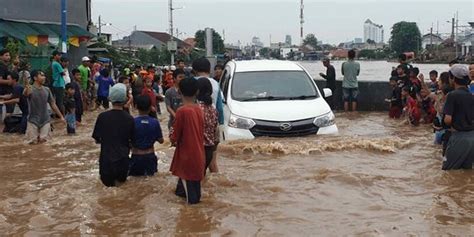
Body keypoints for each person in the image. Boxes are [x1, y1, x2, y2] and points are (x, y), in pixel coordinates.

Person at [169, 77, 205, 204]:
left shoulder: (181, 111)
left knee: (192, 202)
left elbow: (174, 136)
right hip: (199, 156)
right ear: (197, 92)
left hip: (186, 158)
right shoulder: (199, 109)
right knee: (186, 193)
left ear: (179, 92)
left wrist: (171, 138)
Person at [92, 83, 135, 187]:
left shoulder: (102, 117)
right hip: (123, 160)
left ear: (110, 99)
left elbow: (97, 138)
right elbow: (133, 141)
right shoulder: (129, 119)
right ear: (125, 99)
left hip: (106, 162)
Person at [192, 58, 224, 173]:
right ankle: (215, 186)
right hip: (212, 125)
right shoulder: (215, 83)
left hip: (194, 125)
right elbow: (220, 108)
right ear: (209, 69)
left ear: (194, 70)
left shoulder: (190, 82)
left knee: (194, 164)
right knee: (212, 163)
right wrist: (220, 126)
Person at [442, 64, 474, 170]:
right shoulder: (471, 95)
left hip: (458, 137)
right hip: (472, 138)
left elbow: (448, 120)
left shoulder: (452, 95)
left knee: (448, 172)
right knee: (466, 171)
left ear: (453, 78)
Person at [23, 70, 65, 144]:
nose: (44, 77)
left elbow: (53, 104)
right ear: (35, 78)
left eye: (44, 75)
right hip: (32, 120)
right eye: (42, 75)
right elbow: (26, 94)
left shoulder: (47, 90)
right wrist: (26, 87)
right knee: (32, 143)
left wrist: (61, 116)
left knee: (44, 142)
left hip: (45, 120)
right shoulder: (30, 89)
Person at [129, 95, 164, 176]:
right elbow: (161, 141)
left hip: (136, 157)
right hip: (150, 156)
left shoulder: (132, 122)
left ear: (136, 106)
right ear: (150, 107)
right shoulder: (155, 122)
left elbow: (128, 139)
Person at [196, 78, 219, 174]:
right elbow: (216, 131)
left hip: (198, 149)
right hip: (209, 149)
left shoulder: (196, 109)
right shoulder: (213, 109)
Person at [51, 50, 66, 115]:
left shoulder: (53, 63)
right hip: (59, 84)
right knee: (60, 102)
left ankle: (58, 115)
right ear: (55, 56)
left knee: (57, 101)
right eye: (59, 55)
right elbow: (63, 73)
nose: (60, 56)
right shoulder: (57, 64)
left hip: (56, 83)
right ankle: (62, 116)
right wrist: (64, 70)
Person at [0, 49, 13, 116]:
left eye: (9, 55)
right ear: (1, 57)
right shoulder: (1, 67)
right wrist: (10, 81)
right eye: (6, 55)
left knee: (9, 113)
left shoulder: (6, 66)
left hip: (7, 92)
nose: (8, 57)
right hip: (3, 93)